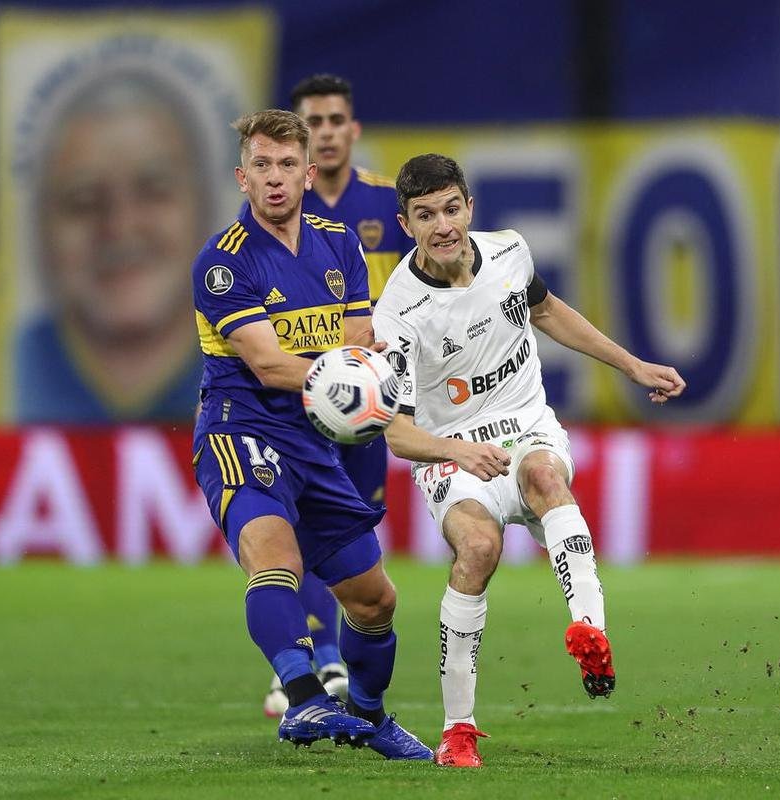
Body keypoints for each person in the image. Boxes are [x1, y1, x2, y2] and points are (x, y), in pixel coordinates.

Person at [374, 154, 686, 767]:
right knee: (479, 551)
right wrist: (460, 450)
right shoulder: (398, 315)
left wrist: (633, 366)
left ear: (470, 205)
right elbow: (398, 434)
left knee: (546, 476)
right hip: (451, 453)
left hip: (526, 427)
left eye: (451, 208)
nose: (443, 226)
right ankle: (458, 731)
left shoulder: (511, 253)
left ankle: (590, 630)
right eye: (425, 215)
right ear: (405, 223)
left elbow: (545, 311)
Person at [190, 109, 429, 759]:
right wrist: (353, 376)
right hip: (242, 431)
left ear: (310, 171)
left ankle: (370, 716)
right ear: (242, 177)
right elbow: (268, 365)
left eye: (287, 165)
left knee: (375, 600)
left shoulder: (340, 242)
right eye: (261, 166)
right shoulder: (222, 263)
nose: (274, 179)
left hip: (315, 441)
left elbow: (355, 339)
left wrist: (371, 374)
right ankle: (302, 701)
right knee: (278, 560)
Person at [260, 73, 413, 717]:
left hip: (373, 404)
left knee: (354, 531)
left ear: (352, 130)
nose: (324, 132)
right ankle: (315, 659)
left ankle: (343, 665)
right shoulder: (278, 215)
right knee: (294, 531)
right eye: (311, 123)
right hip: (301, 405)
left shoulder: (391, 206)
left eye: (333, 121)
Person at [17, 69, 210, 423]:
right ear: (43, 230)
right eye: (83, 200)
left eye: (155, 190)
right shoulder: (11, 370)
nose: (120, 228)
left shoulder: (265, 365)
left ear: (203, 209)